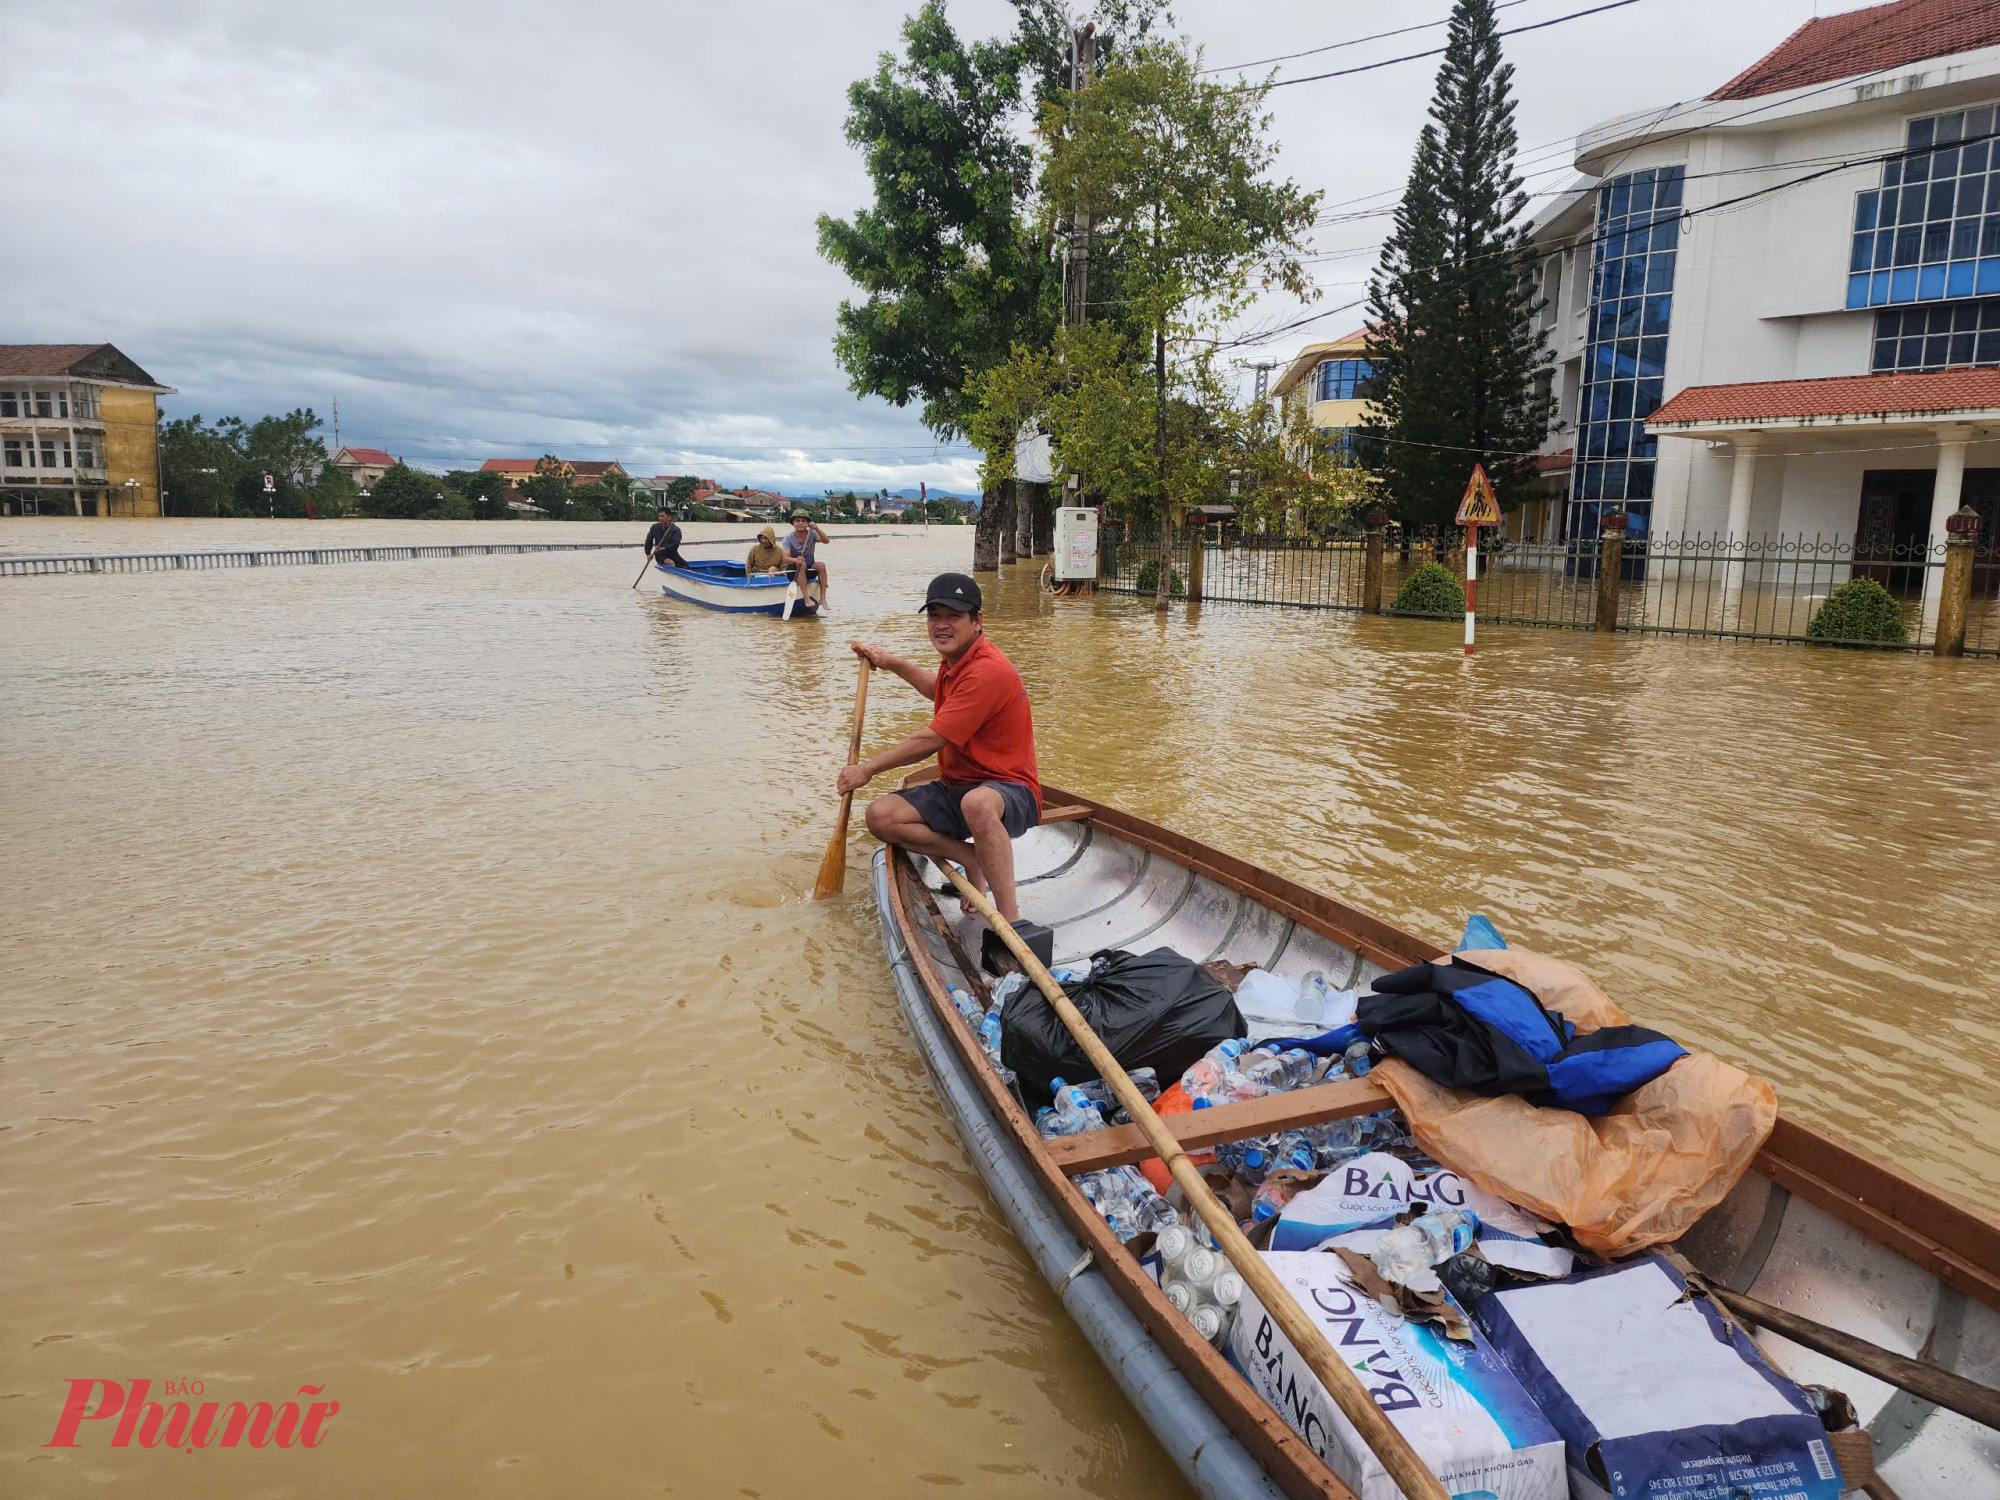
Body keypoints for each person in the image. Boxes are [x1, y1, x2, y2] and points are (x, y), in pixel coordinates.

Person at [840, 573, 1040, 924]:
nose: (942, 625)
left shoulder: (986, 670)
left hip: (1009, 790)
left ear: (977, 621)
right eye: (935, 616)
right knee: (881, 817)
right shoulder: (956, 661)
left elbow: (932, 739)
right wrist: (893, 663)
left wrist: (867, 769)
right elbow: (939, 691)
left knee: (976, 804)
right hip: (957, 785)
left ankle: (1011, 919)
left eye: (954, 616)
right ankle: (972, 857)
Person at [782, 513, 830, 609]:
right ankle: (806, 597)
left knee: (821, 565)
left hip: (809, 568)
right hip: (794, 571)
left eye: (803, 521)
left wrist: (816, 528)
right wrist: (795, 560)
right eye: (797, 521)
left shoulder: (812, 534)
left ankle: (822, 598)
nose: (800, 523)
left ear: (808, 523)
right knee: (801, 564)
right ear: (793, 523)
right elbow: (785, 558)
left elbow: (826, 540)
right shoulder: (788, 538)